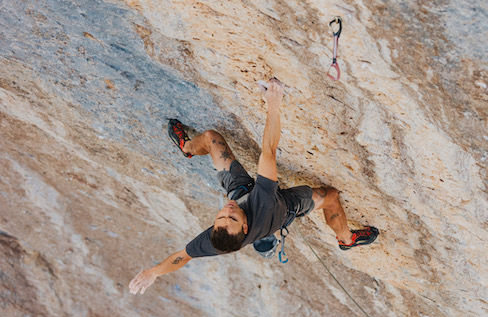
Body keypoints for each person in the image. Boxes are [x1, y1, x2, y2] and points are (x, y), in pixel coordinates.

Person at [129, 78, 378, 295]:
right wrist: (273, 103)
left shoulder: (216, 240)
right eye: (232, 217)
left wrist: (154, 272)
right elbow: (268, 152)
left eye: (220, 218)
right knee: (331, 196)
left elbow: (181, 257)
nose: (226, 210)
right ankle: (347, 239)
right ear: (245, 225)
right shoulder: (265, 204)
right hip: (282, 209)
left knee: (210, 138)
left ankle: (187, 148)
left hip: (242, 192)